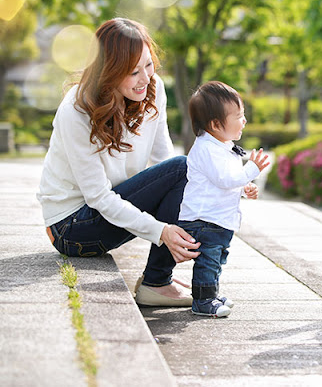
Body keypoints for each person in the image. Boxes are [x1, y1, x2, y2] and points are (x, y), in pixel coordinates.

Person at [37, 18, 201, 307]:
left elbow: (165, 162)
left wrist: (229, 185)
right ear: (108, 71)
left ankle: (156, 280)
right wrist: (160, 231)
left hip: (104, 210)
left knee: (182, 169)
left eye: (148, 65)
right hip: (70, 227)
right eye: (132, 72)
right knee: (181, 168)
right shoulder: (76, 109)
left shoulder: (153, 89)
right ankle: (158, 282)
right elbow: (98, 196)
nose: (145, 78)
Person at [177, 81, 270, 317]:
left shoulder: (222, 146)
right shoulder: (207, 148)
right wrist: (251, 170)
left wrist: (244, 188)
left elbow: (223, 182)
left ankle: (211, 294)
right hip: (203, 220)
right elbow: (224, 179)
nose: (244, 120)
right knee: (208, 261)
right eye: (238, 115)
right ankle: (203, 301)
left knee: (217, 259)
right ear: (215, 124)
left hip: (216, 219)